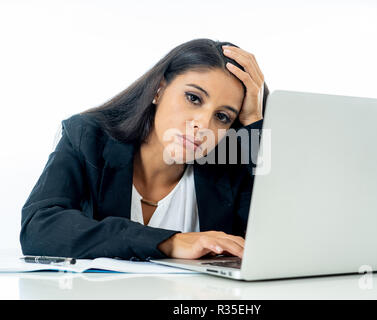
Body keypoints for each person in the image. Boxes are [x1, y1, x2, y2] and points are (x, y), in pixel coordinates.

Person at [20, 38, 269, 261]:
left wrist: (255, 123)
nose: (202, 125)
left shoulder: (230, 165)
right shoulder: (88, 137)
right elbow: (39, 229)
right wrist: (170, 242)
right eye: (193, 98)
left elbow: (279, 239)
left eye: (223, 117)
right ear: (159, 90)